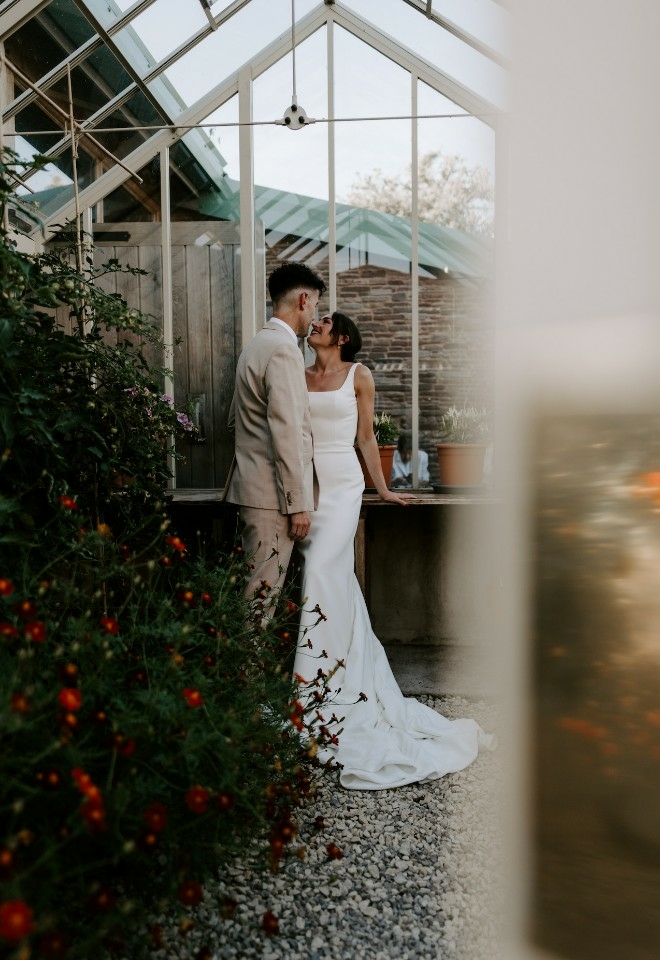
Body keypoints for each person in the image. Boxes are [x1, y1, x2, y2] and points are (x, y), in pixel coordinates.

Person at [293, 311, 495, 789]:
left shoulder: (359, 375)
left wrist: (379, 490)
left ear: (342, 338)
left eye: (324, 321)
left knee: (321, 572)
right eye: (315, 318)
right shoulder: (297, 374)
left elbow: (366, 436)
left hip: (341, 487)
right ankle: (330, 678)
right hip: (308, 486)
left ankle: (310, 692)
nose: (315, 324)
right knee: (331, 580)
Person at [225, 262, 326, 615]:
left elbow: (233, 420)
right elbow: (286, 432)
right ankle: (248, 672)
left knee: (256, 593)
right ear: (303, 299)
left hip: (254, 490)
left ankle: (247, 669)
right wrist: (297, 503)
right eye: (315, 305)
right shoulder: (284, 350)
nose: (314, 316)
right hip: (272, 499)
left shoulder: (257, 344)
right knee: (260, 599)